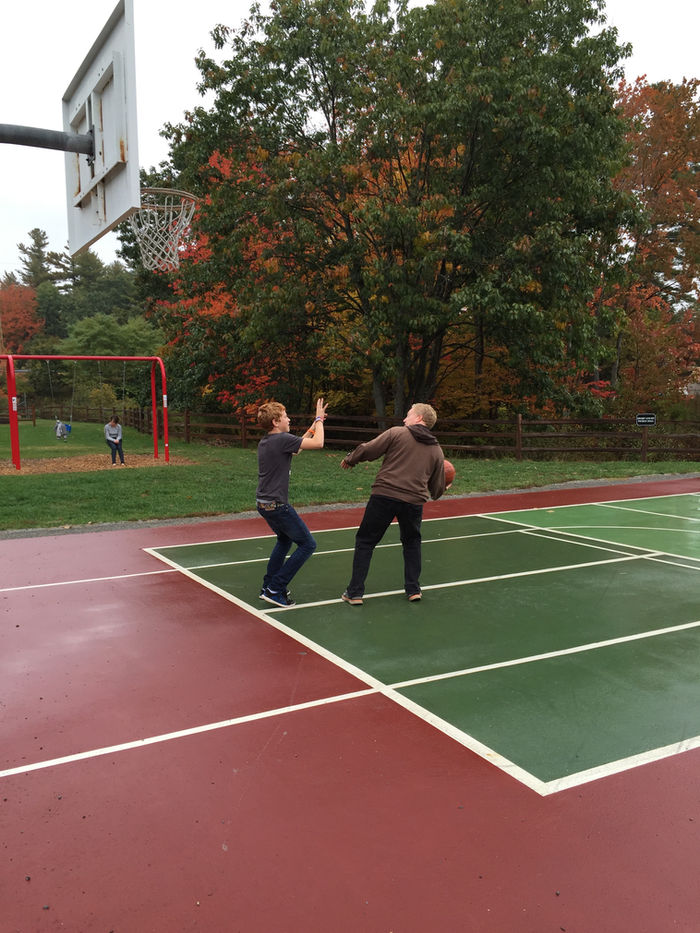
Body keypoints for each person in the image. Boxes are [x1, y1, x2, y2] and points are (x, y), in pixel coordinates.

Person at [340, 403, 447, 605]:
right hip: (413, 502)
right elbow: (436, 490)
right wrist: (443, 488)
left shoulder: (397, 433)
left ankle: (354, 593)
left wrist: (351, 458)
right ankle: (413, 589)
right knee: (412, 543)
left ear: (419, 418)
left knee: (365, 541)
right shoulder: (437, 450)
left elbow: (369, 449)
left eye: (408, 415)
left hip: (385, 495)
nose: (404, 419)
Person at [256, 397, 328, 608]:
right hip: (277, 505)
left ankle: (268, 585)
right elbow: (319, 443)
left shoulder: (269, 440)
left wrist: (316, 423)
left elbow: (297, 447)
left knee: (285, 541)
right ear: (276, 422)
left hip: (264, 503)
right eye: (285, 416)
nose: (289, 419)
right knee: (308, 544)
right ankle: (275, 588)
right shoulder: (281, 439)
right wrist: (320, 421)